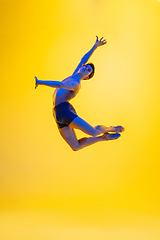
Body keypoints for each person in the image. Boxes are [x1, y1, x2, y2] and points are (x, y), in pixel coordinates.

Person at [35, 36, 124, 151]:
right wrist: (95, 46)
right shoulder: (73, 75)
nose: (86, 68)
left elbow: (59, 85)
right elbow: (83, 60)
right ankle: (104, 138)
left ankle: (111, 128)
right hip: (57, 114)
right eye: (86, 67)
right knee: (76, 146)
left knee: (94, 132)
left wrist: (40, 82)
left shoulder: (76, 83)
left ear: (87, 77)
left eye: (88, 71)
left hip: (64, 111)